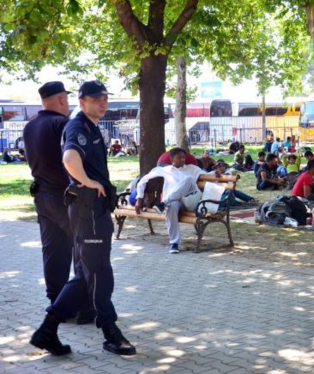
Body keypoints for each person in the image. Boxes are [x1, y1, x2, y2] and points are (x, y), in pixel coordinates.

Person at [31, 80, 136, 356]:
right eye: (95, 98)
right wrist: (88, 182)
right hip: (86, 209)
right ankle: (110, 332)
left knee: (87, 273)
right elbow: (69, 159)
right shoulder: (77, 126)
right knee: (99, 271)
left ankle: (47, 330)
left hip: (94, 210)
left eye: (104, 98)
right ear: (81, 101)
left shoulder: (91, 127)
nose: (102, 102)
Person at [23, 81, 94, 324]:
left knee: (53, 251)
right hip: (67, 197)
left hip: (42, 197)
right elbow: (73, 160)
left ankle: (56, 302)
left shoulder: (30, 126)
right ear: (62, 100)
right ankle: (83, 307)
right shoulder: (63, 124)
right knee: (84, 251)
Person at [135, 148, 220, 253]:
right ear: (172, 158)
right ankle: (174, 243)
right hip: (174, 202)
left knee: (188, 179)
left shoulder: (192, 168)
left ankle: (164, 203)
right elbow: (143, 181)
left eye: (183, 157)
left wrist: (215, 173)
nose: (182, 160)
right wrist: (139, 199)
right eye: (179, 157)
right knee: (172, 205)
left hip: (189, 201)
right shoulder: (164, 170)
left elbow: (207, 174)